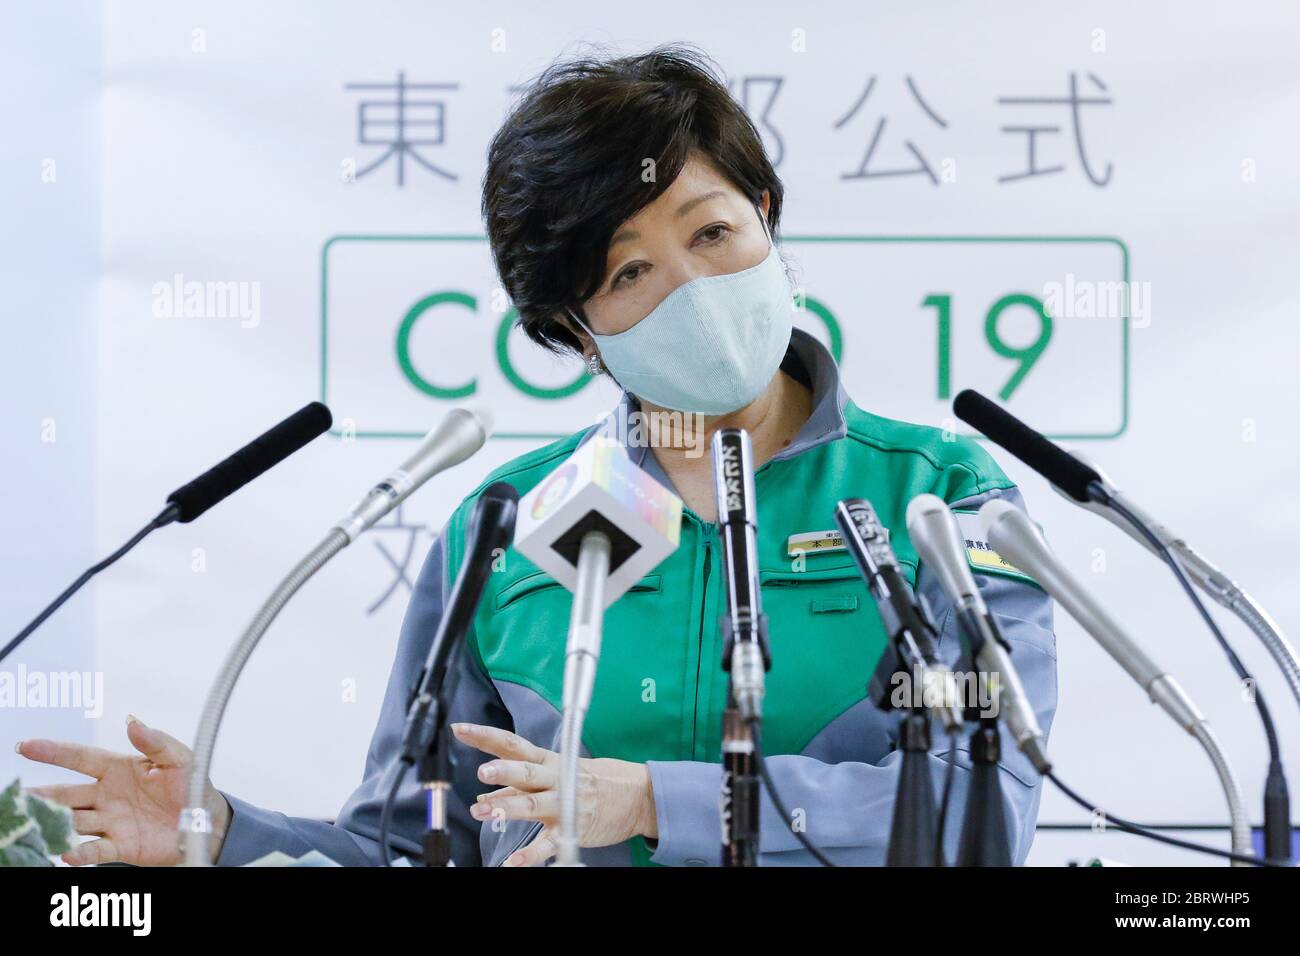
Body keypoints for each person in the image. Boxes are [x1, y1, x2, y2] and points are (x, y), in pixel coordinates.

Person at [16, 44, 1056, 867]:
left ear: (766, 215)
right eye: (629, 271)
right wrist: (222, 830)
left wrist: (655, 800)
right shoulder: (505, 522)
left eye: (711, 233)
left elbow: (985, 808)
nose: (690, 289)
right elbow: (415, 844)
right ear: (574, 327)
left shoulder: (940, 492)